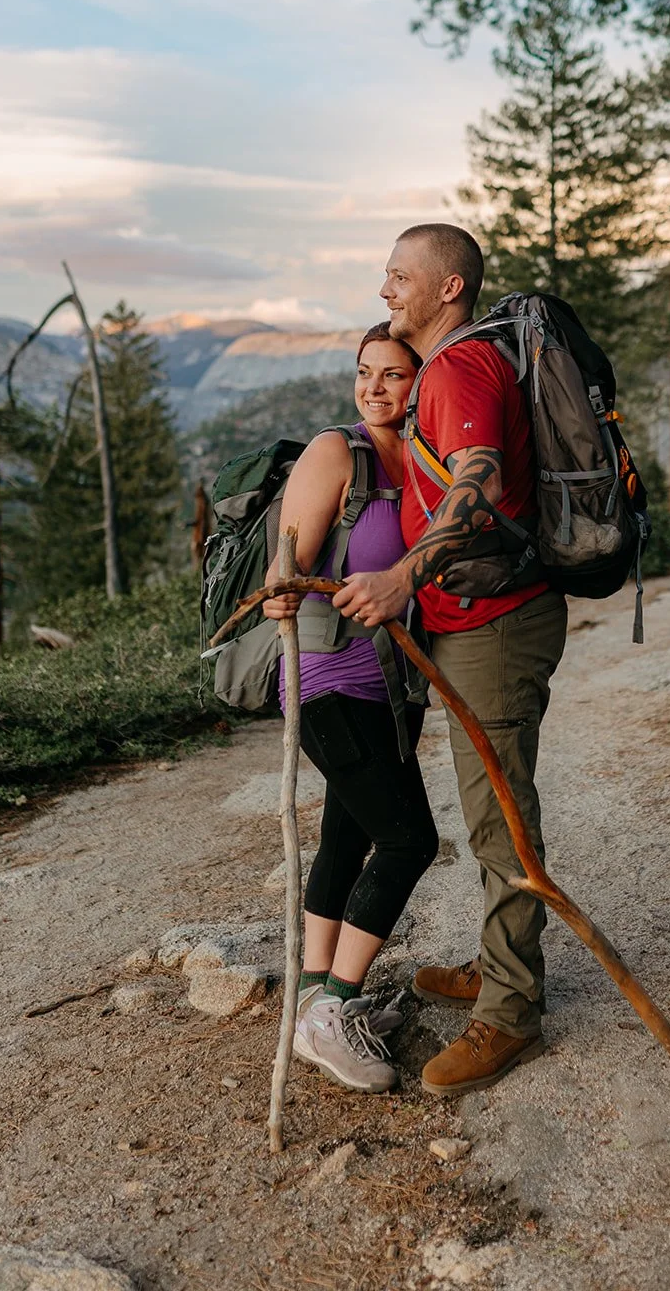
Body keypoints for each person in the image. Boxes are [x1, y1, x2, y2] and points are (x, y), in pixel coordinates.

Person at [332, 223, 567, 1097]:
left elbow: (472, 483)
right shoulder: (440, 371)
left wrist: (401, 575)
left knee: (498, 817)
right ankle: (498, 965)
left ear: (448, 289)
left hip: (496, 625)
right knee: (486, 808)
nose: (385, 289)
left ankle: (509, 1013)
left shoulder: (462, 368)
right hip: (474, 621)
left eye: (399, 276)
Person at [262, 323, 439, 1094]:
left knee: (347, 833)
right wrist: (280, 583)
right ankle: (332, 1011)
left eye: (393, 375)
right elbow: (286, 553)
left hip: (393, 685)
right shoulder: (338, 451)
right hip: (331, 681)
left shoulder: (424, 460)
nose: (374, 388)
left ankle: (310, 990)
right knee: (408, 841)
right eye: (364, 373)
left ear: (420, 384)